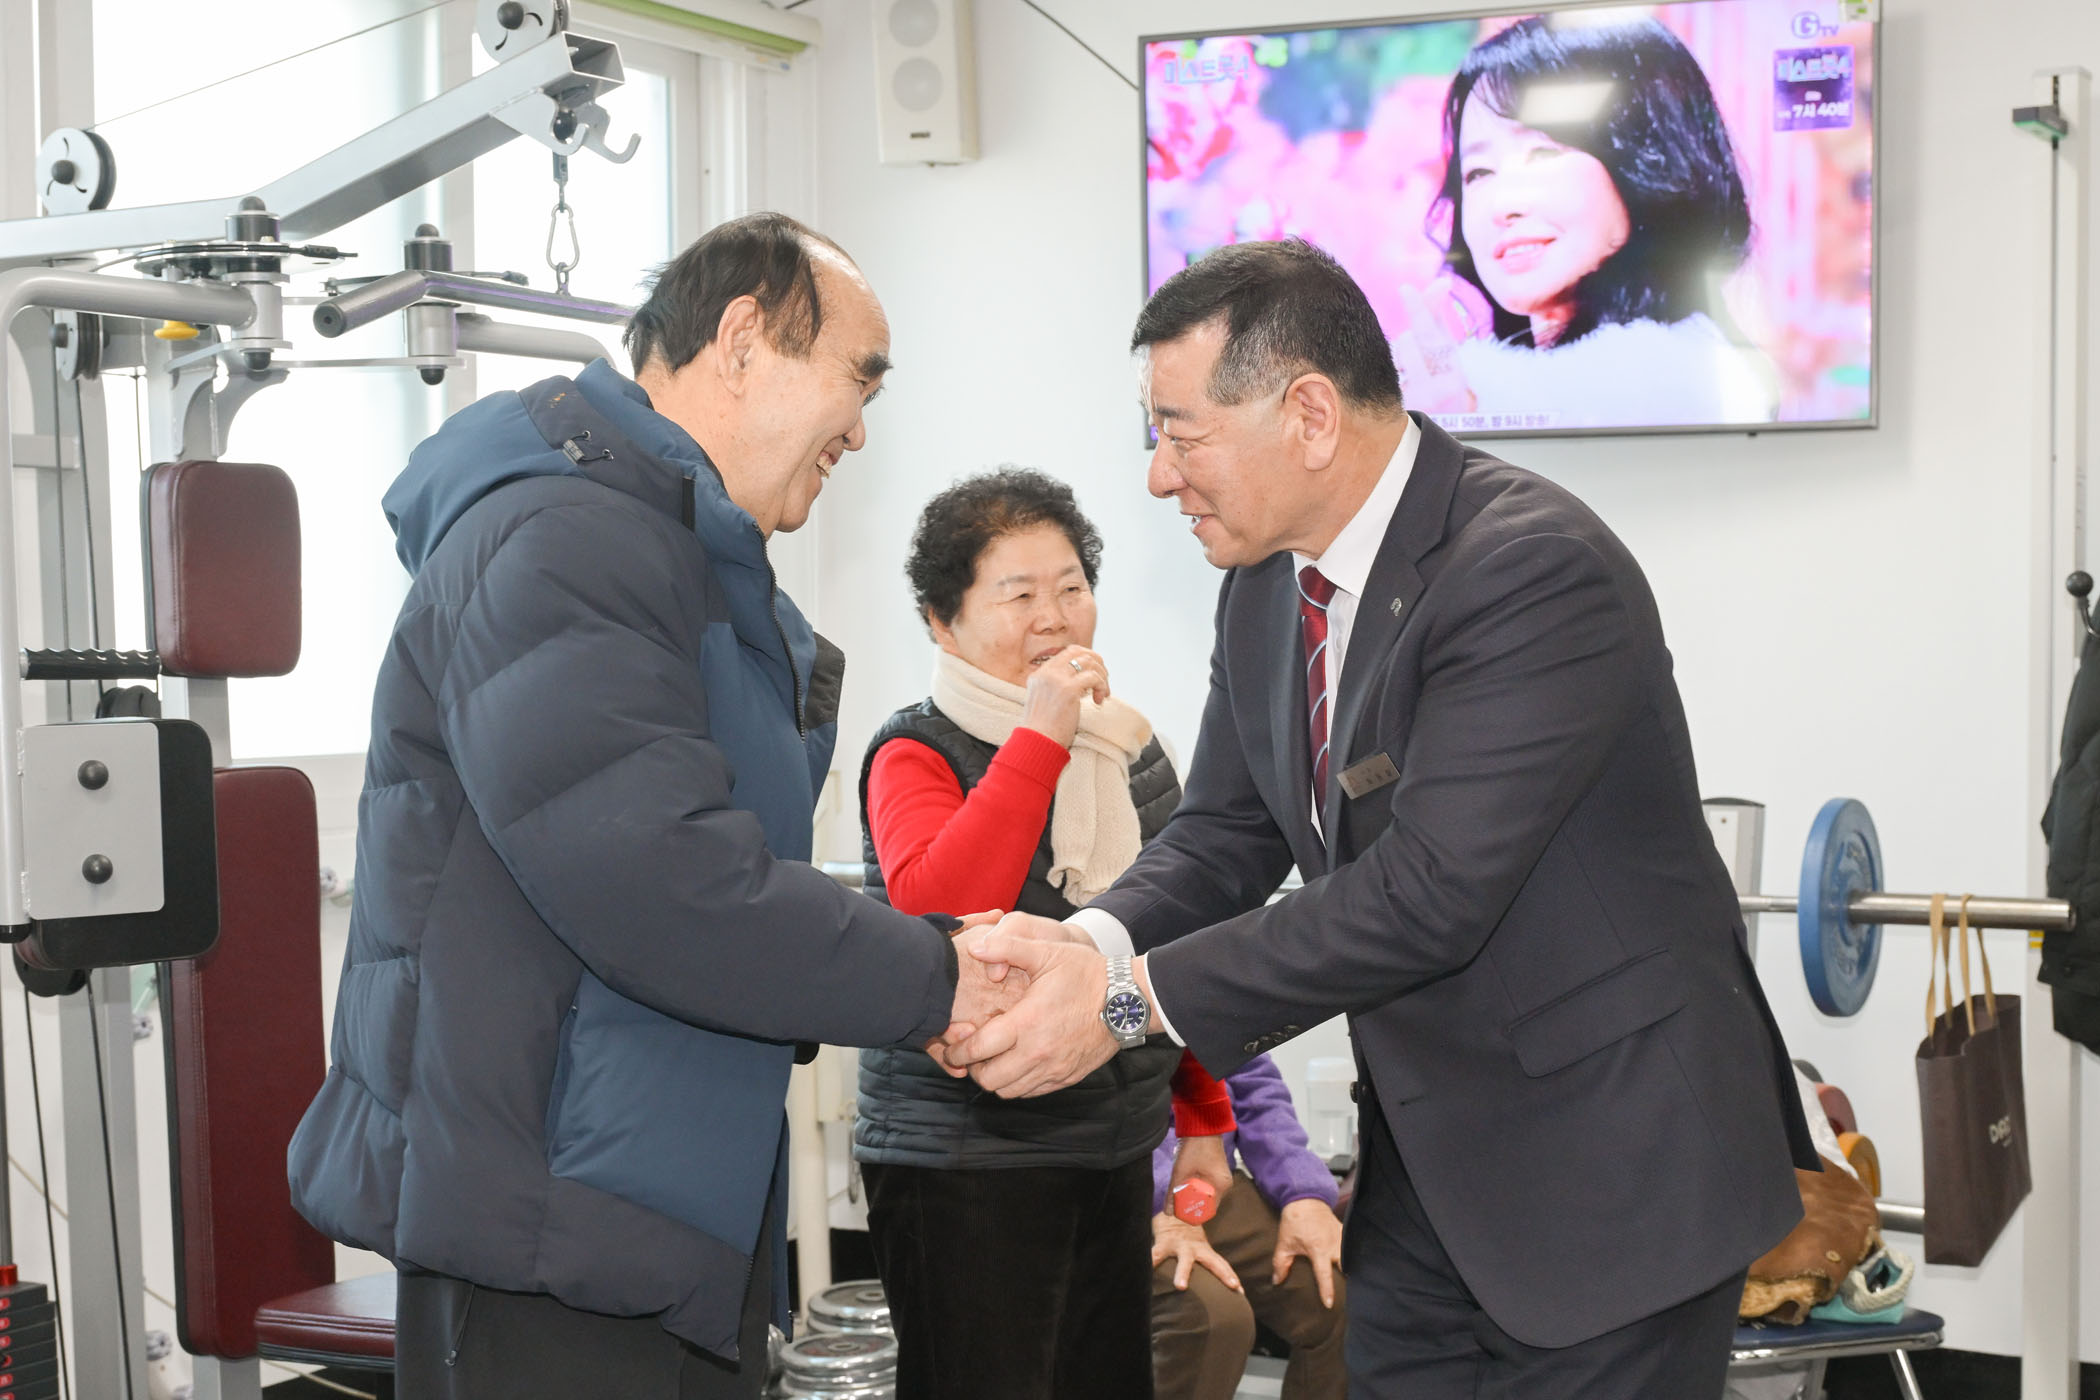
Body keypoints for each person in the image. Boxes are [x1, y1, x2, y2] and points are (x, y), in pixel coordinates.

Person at [944, 238, 1817, 1398]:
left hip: (1615, 1171)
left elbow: (1427, 892)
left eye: (1182, 434)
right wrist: (1083, 943)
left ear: (1310, 415)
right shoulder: (1265, 586)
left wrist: (1120, 1003)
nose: (1159, 476)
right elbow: (1224, 835)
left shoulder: (1530, 569)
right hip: (1428, 1178)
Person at [287, 213, 1020, 1400]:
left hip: (634, 1194)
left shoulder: (675, 556)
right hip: (548, 1224)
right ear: (744, 339)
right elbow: (662, 879)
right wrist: (938, 979)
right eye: (858, 379)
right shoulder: (566, 539)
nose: (859, 429)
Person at [856, 468, 1235, 1400]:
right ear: (942, 622)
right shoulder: (914, 748)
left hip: (1113, 1143)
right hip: (965, 1159)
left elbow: (1176, 940)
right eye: (1018, 595)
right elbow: (939, 913)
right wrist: (1040, 738)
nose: (1054, 619)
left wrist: (1203, 1119)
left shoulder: (1128, 746)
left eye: (1071, 588)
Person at [1395, 15, 1778, 427]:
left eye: (1543, 154)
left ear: (1647, 162)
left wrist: (1453, 428)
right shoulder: (1481, 388)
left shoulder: (1686, 383)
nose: (1501, 205)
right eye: (1479, 172)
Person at [1149, 1054, 1346, 1400]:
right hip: (1124, 1185)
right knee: (1215, 1321)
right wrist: (1162, 1191)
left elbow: (1254, 1085)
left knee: (1336, 1295)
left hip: (1214, 1181)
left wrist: (1302, 1191)